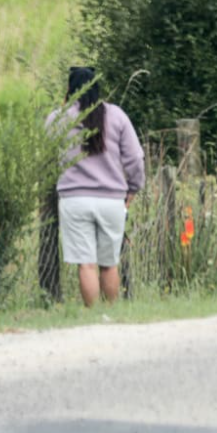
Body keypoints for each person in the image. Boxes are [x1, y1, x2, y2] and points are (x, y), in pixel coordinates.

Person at [46, 67, 145, 307]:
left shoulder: (57, 118)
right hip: (112, 200)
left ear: (69, 89)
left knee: (86, 263)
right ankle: (112, 312)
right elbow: (134, 158)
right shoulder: (117, 115)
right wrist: (133, 188)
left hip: (75, 199)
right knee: (109, 263)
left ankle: (91, 316)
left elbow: (47, 157)